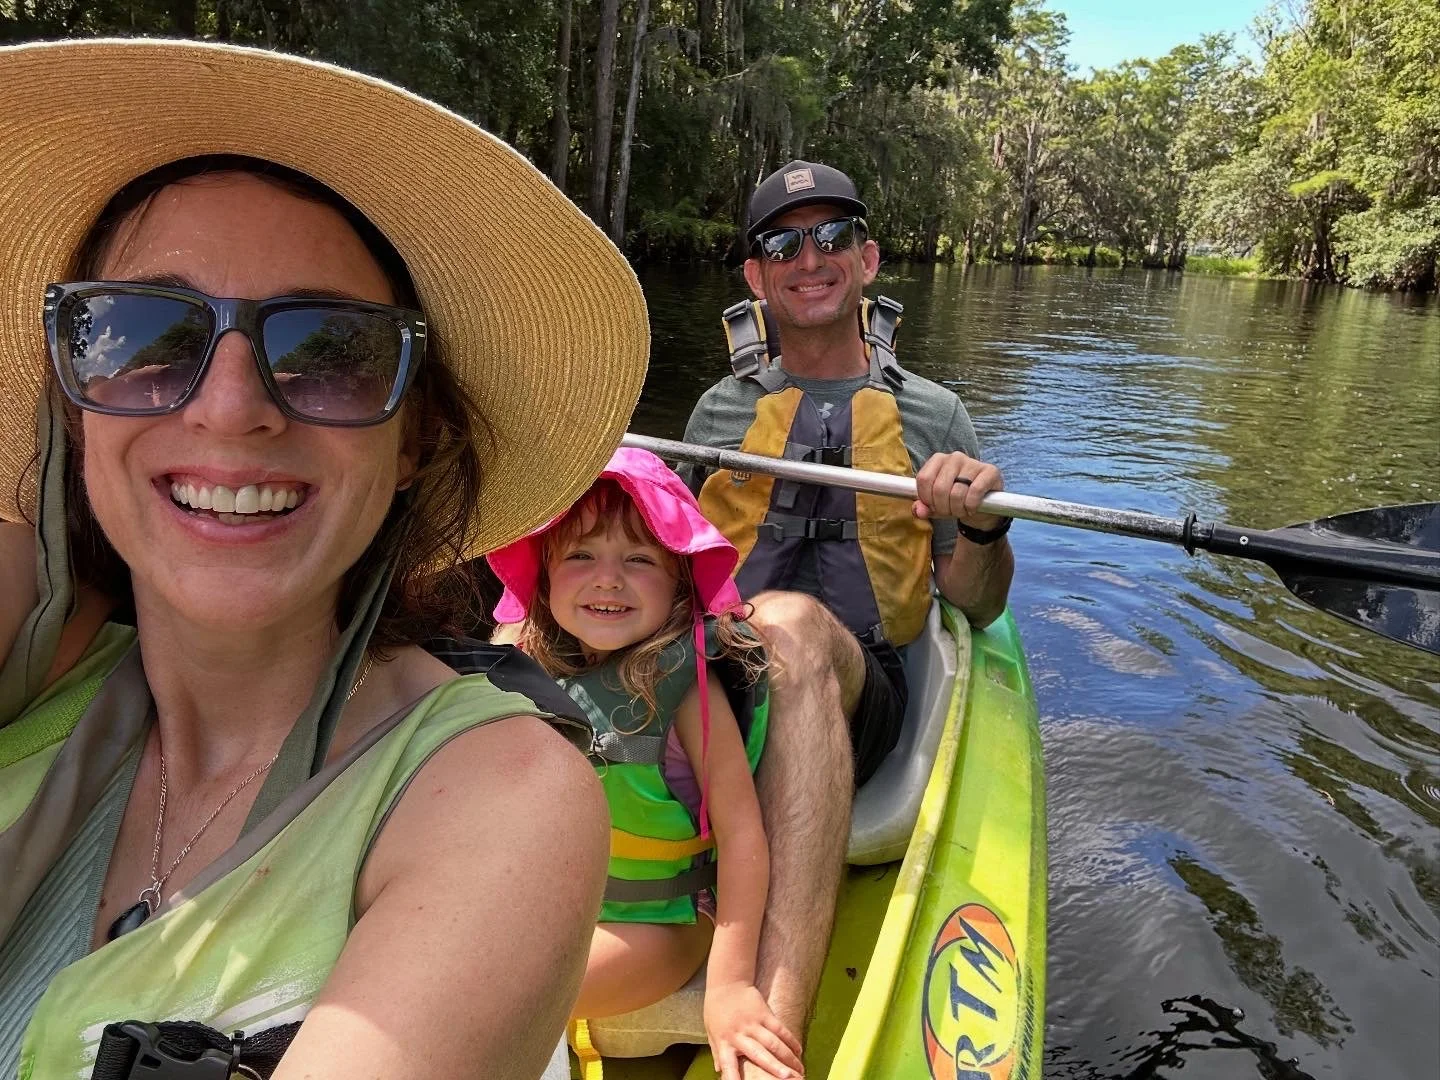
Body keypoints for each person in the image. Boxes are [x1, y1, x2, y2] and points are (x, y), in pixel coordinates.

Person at [0, 38, 651, 1080]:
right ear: (71, 404)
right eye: (142, 334)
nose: (227, 407)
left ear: (416, 440)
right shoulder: (31, 646)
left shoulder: (502, 794)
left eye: (329, 353)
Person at [678, 160, 1016, 1066]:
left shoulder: (935, 416)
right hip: (718, 681)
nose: (809, 258)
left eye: (832, 238)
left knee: (787, 623)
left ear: (867, 260)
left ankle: (772, 1036)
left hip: (862, 688)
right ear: (755, 277)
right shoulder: (716, 412)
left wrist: (981, 524)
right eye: (783, 243)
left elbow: (978, 610)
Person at [487, 448, 805, 1080]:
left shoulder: (687, 692)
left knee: (496, 997)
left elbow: (743, 839)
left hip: (659, 925)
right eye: (580, 556)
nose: (607, 580)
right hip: (561, 904)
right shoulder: (519, 663)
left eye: (639, 560)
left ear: (680, 582)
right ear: (544, 575)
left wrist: (730, 985)